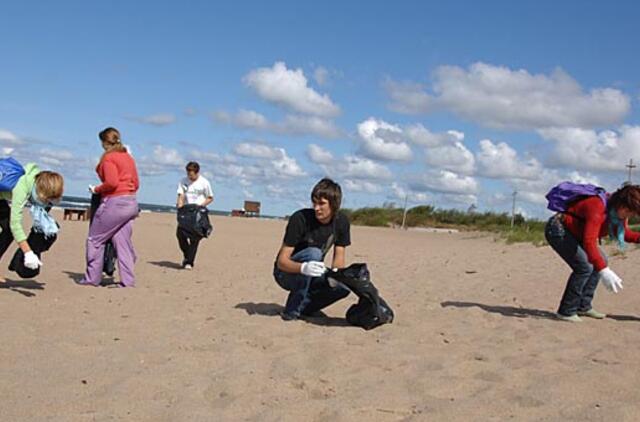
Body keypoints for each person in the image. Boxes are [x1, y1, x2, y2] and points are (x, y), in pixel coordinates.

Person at [545, 184, 640, 322]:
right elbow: (590, 243)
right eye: (629, 211)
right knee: (585, 267)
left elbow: (625, 234)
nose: (630, 215)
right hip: (558, 230)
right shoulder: (597, 206)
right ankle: (566, 311)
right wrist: (604, 271)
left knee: (601, 261)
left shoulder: (618, 215)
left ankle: (583, 307)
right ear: (621, 203)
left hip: (577, 233)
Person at [273, 178, 351, 321]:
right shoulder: (300, 219)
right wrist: (303, 268)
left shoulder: (341, 222)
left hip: (314, 271)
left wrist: (336, 277)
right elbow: (281, 262)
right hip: (286, 273)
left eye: (321, 204)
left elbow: (339, 259)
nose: (316, 208)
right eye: (314, 202)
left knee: (343, 286)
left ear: (334, 205)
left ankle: (305, 308)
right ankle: (291, 311)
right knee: (314, 253)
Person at [78, 127, 139, 287]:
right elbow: (136, 184)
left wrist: (96, 189)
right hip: (131, 202)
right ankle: (128, 281)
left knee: (95, 240)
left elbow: (112, 182)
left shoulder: (109, 159)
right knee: (122, 242)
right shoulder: (128, 158)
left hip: (114, 203)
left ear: (104, 142)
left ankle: (92, 278)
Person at [0, 163, 64, 273]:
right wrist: (28, 252)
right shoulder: (22, 188)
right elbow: (15, 224)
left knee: (7, 231)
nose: (48, 202)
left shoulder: (36, 181)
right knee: (9, 229)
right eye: (47, 200)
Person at [176, 161, 213, 269]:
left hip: (198, 213)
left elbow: (210, 197)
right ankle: (188, 256)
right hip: (186, 211)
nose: (189, 177)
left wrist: (200, 206)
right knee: (180, 235)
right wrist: (179, 206)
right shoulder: (183, 181)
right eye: (188, 174)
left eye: (191, 175)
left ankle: (189, 262)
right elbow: (181, 195)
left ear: (197, 173)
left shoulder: (204, 182)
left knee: (195, 238)